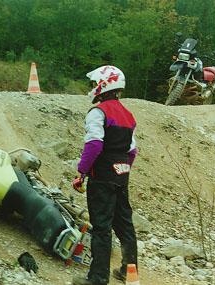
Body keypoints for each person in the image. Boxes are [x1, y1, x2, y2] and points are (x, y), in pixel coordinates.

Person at [72, 66, 138, 285]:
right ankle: (130, 273)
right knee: (124, 224)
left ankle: (98, 278)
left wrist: (82, 172)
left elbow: (94, 145)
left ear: (103, 84)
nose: (92, 88)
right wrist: (123, 169)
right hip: (122, 174)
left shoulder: (98, 112)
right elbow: (132, 150)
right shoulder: (128, 115)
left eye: (94, 84)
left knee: (101, 227)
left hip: (102, 177)